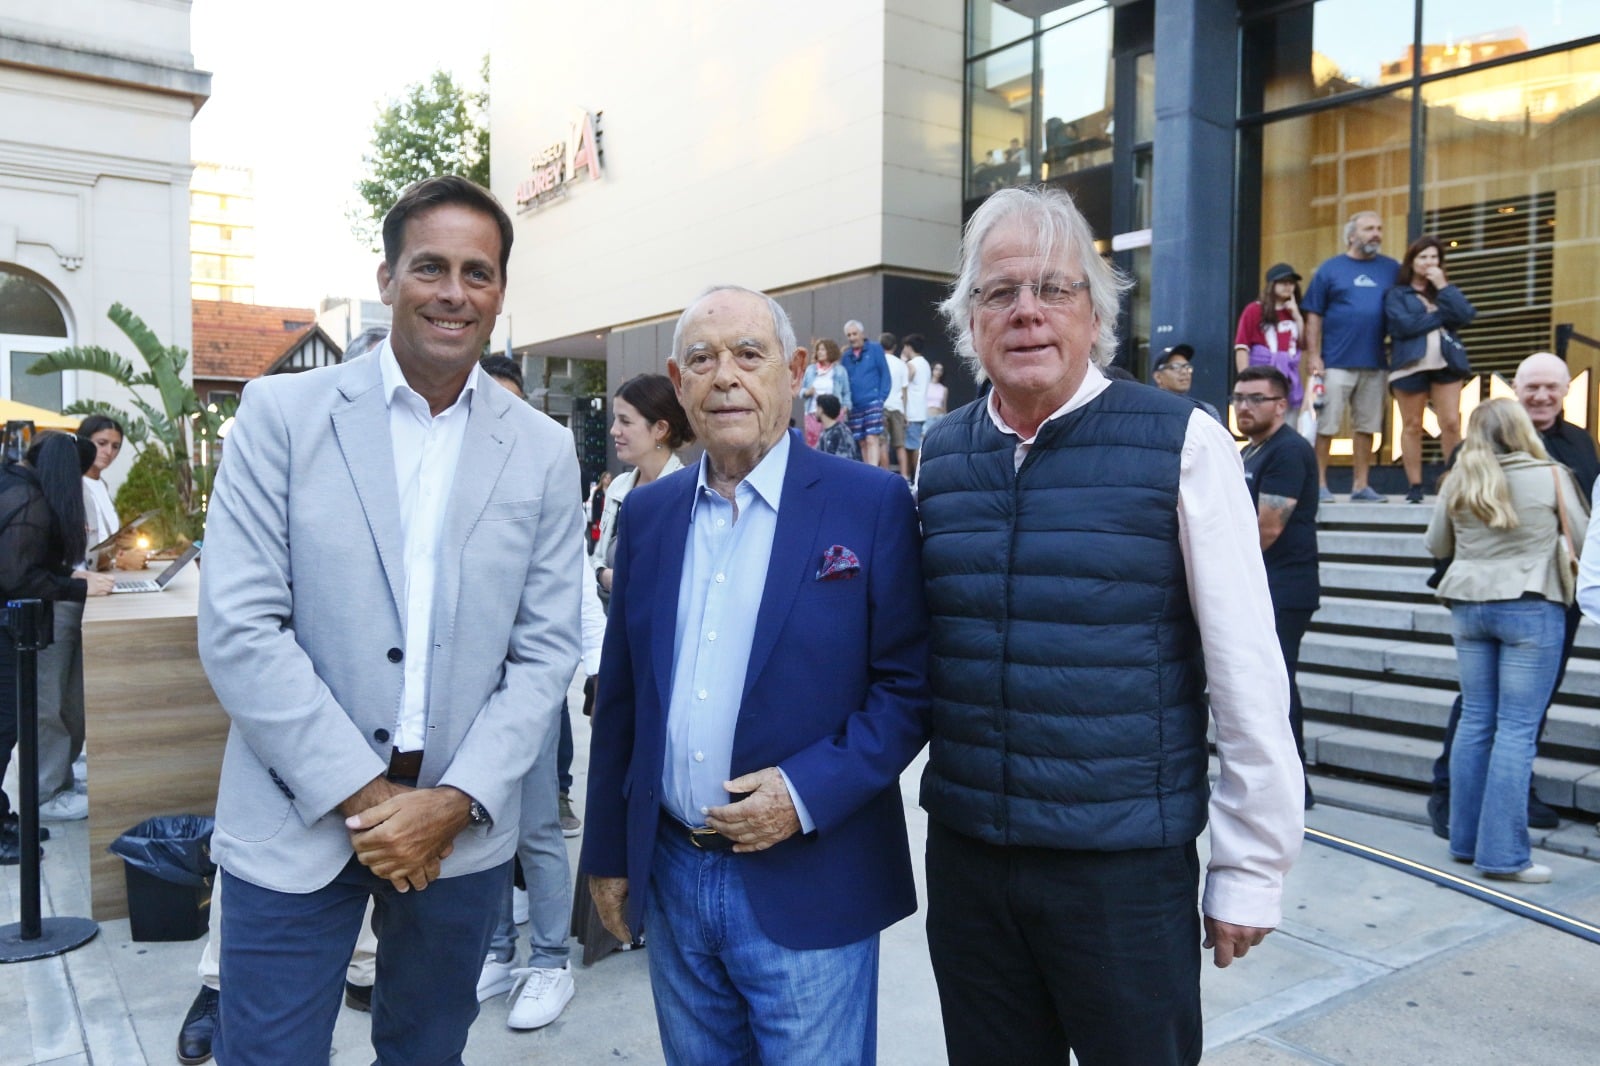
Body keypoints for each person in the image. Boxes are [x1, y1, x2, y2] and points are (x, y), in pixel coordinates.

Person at [196, 175, 584, 1064]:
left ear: (499, 294)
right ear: (386, 277)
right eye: (431, 267)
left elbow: (545, 651)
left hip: (462, 828)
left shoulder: (541, 449)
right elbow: (241, 628)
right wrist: (376, 806)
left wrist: (449, 805)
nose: (454, 292)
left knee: (426, 1053)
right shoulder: (282, 415)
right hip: (298, 816)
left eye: (478, 273)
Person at [916, 186, 1303, 1065]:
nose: (1025, 313)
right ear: (968, 320)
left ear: (1097, 314)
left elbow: (1248, 671)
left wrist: (1249, 866)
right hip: (971, 861)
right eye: (998, 292)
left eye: (1053, 289)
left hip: (1121, 867)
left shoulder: (1183, 442)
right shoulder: (940, 456)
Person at [582, 283, 930, 1065]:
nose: (725, 376)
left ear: (796, 369)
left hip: (811, 875)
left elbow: (909, 690)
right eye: (702, 359)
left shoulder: (871, 504)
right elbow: (625, 699)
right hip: (673, 874)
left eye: (749, 354)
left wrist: (803, 795)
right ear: (678, 381)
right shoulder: (650, 517)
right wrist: (608, 853)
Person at [1426, 351, 1600, 838]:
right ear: (1516, 391)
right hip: (1501, 597)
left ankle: (1505, 800)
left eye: (1552, 387)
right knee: (1485, 710)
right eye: (1532, 387)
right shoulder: (1481, 450)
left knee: (1524, 708)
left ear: (1568, 391)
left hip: (1550, 597)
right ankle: (1453, 798)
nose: (1542, 396)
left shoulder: (1581, 445)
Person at [0, 433, 114, 863]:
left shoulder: (16, 483)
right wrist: (74, 588)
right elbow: (18, 577)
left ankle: (3, 816)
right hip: (7, 625)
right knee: (4, 724)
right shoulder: (28, 501)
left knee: (7, 725)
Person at [1234, 366, 1321, 808]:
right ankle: (1283, 781)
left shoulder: (1287, 451)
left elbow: (1267, 527)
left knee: (1275, 684)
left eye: (1255, 399)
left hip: (1283, 590)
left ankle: (1294, 785)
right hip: (1263, 589)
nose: (1243, 407)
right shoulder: (1252, 450)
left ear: (1280, 404)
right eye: (1238, 398)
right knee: (1266, 685)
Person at [29, 414, 122, 823]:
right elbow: (41, 563)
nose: (107, 453)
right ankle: (47, 791)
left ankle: (60, 777)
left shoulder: (94, 486)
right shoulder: (48, 491)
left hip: (77, 594)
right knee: (51, 697)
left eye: (115, 446)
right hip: (59, 599)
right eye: (101, 443)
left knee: (70, 696)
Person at [1303, 210, 1400, 502]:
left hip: (1375, 362)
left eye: (1379, 229)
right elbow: (1313, 315)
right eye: (1369, 228)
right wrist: (1314, 356)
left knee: (1367, 426)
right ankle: (1319, 485)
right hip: (1335, 361)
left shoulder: (1391, 269)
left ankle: (1361, 485)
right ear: (1352, 235)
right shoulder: (1330, 269)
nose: (1376, 234)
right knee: (1327, 425)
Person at [592, 373, 695, 608]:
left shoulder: (687, 492)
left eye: (625, 422)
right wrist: (602, 576)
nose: (614, 431)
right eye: (615, 420)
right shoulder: (618, 487)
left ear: (660, 429)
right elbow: (597, 557)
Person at [1386, 235, 1475, 503]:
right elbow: (1403, 326)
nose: (1429, 262)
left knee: (1450, 422)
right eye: (1423, 257)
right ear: (1412, 262)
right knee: (1412, 425)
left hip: (1446, 363)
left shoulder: (1445, 290)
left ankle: (1453, 481)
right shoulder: (1397, 294)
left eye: (1434, 257)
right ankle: (1415, 485)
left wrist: (1443, 287)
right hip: (1409, 365)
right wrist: (1439, 316)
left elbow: (1466, 315)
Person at [1234, 262, 1306, 411]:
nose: (1288, 286)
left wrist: (1298, 317)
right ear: (1271, 285)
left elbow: (1303, 344)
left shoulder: (1296, 311)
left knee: (1288, 423)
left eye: (1291, 282)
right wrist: (1245, 380)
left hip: (1289, 380)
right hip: (1260, 376)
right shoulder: (1254, 310)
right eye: (1282, 282)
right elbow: (1242, 347)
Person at [840, 319, 891, 468]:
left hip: (873, 401)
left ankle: (873, 470)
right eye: (849, 335)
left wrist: (881, 398)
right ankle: (867, 471)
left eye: (854, 334)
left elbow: (885, 375)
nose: (852, 338)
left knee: (871, 438)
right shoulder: (846, 356)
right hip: (854, 404)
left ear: (862, 334)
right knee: (861, 441)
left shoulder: (875, 349)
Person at [1152, 344, 1223, 422]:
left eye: (1187, 367)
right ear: (1158, 377)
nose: (1184, 372)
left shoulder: (1205, 410)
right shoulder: (1148, 410)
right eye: (1175, 367)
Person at [801, 338, 851, 449]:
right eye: (818, 350)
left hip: (834, 415)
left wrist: (845, 408)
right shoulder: (810, 370)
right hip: (813, 413)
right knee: (813, 446)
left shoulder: (840, 370)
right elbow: (801, 390)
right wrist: (807, 392)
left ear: (830, 351)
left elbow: (846, 392)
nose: (819, 352)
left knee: (833, 444)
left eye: (823, 349)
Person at [901, 334, 931, 478]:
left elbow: (903, 383)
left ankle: (915, 476)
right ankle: (915, 476)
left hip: (911, 411)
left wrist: (903, 362)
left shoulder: (911, 365)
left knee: (911, 446)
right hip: (921, 410)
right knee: (914, 444)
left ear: (908, 347)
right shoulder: (925, 364)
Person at [815, 392, 861, 460]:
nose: (815, 411)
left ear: (821, 409)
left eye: (817, 408)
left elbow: (845, 461)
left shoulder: (842, 432)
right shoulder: (824, 434)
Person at [924, 361, 949, 433]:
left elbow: (944, 407)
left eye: (941, 370)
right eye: (936, 369)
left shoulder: (944, 389)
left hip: (939, 417)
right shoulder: (926, 385)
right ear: (932, 370)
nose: (939, 372)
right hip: (928, 416)